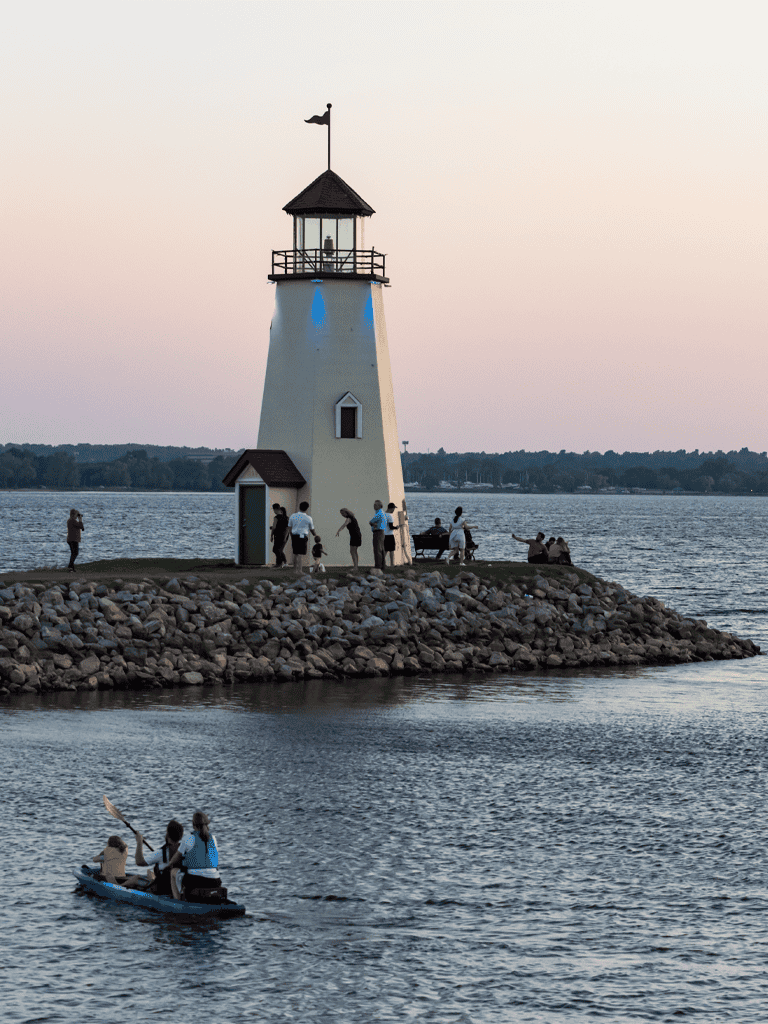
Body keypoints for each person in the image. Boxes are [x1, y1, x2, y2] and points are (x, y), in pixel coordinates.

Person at [169, 811, 221, 901]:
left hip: (196, 881)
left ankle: (178, 901)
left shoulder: (188, 839)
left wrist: (168, 864)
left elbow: (175, 859)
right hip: (215, 881)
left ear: (193, 825)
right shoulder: (214, 838)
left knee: (173, 872)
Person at [126, 820, 184, 895]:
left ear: (168, 835)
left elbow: (139, 862)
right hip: (177, 889)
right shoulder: (184, 850)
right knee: (150, 874)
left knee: (135, 878)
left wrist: (139, 843)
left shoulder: (161, 853)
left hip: (162, 889)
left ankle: (118, 887)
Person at [287, 501, 316, 573]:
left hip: (294, 536)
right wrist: (315, 535)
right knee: (300, 554)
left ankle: (295, 570)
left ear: (299, 507)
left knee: (296, 553)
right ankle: (299, 570)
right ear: (307, 508)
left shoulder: (293, 516)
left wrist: (291, 535)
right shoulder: (308, 518)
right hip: (302, 536)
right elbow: (311, 529)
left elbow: (289, 528)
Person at [369, 500, 387, 570]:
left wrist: (372, 524)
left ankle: (378, 566)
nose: (374, 506)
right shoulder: (382, 513)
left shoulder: (379, 514)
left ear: (380, 506)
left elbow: (371, 521)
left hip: (378, 532)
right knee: (381, 549)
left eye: (375, 505)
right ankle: (382, 565)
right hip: (381, 532)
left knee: (377, 549)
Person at [66, 509, 84, 573]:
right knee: (75, 553)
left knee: (74, 553)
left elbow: (82, 528)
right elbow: (81, 526)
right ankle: (70, 567)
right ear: (74, 514)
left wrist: (79, 519)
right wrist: (80, 520)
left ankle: (72, 567)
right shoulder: (72, 521)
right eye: (77, 514)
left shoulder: (72, 521)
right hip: (73, 539)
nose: (77, 516)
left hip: (73, 539)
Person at [384, 502, 398, 567]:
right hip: (389, 535)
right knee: (392, 550)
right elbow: (391, 527)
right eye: (394, 508)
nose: (394, 510)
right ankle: (392, 564)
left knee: (385, 550)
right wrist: (396, 527)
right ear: (391, 508)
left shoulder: (383, 514)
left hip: (383, 534)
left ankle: (382, 563)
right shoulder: (390, 516)